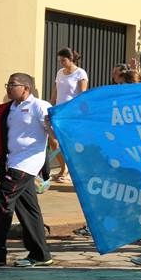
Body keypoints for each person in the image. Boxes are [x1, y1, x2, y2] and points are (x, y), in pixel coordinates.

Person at [0, 73, 53, 267]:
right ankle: (41, 254)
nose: (8, 87)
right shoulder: (11, 108)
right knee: (28, 209)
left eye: (13, 84)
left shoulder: (40, 106)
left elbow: (53, 132)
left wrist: (52, 126)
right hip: (12, 162)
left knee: (2, 200)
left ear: (26, 88)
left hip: (27, 164)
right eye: (8, 84)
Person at [50, 48, 89, 181]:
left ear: (71, 59)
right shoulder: (60, 72)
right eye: (60, 60)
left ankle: (70, 172)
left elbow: (82, 95)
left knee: (70, 143)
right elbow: (56, 91)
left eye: (63, 60)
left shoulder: (80, 73)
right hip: (59, 112)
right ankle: (63, 168)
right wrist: (51, 106)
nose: (61, 63)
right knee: (54, 141)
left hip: (73, 114)